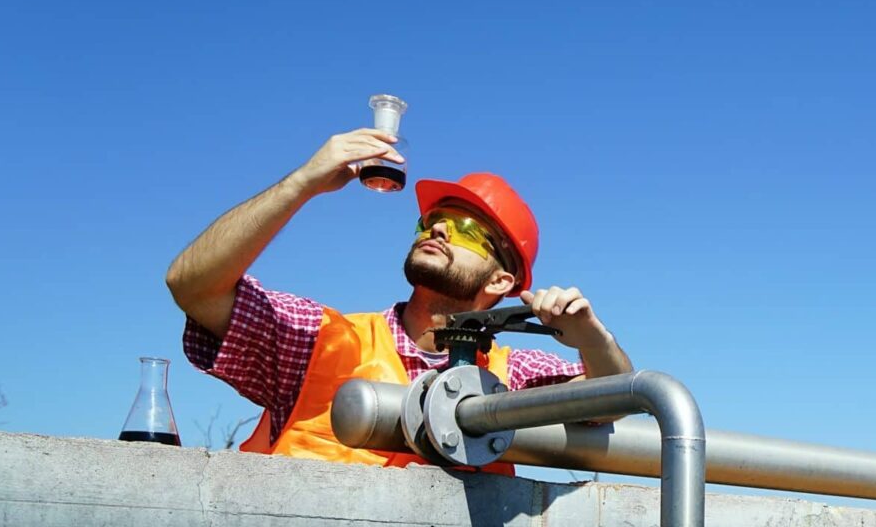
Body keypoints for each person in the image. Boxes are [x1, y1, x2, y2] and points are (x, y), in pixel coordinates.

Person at [165, 126, 631, 468]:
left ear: (499, 282)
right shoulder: (320, 340)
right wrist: (302, 182)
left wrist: (591, 337)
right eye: (430, 222)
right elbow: (192, 286)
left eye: (465, 229)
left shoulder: (511, 377)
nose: (438, 229)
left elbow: (611, 399)